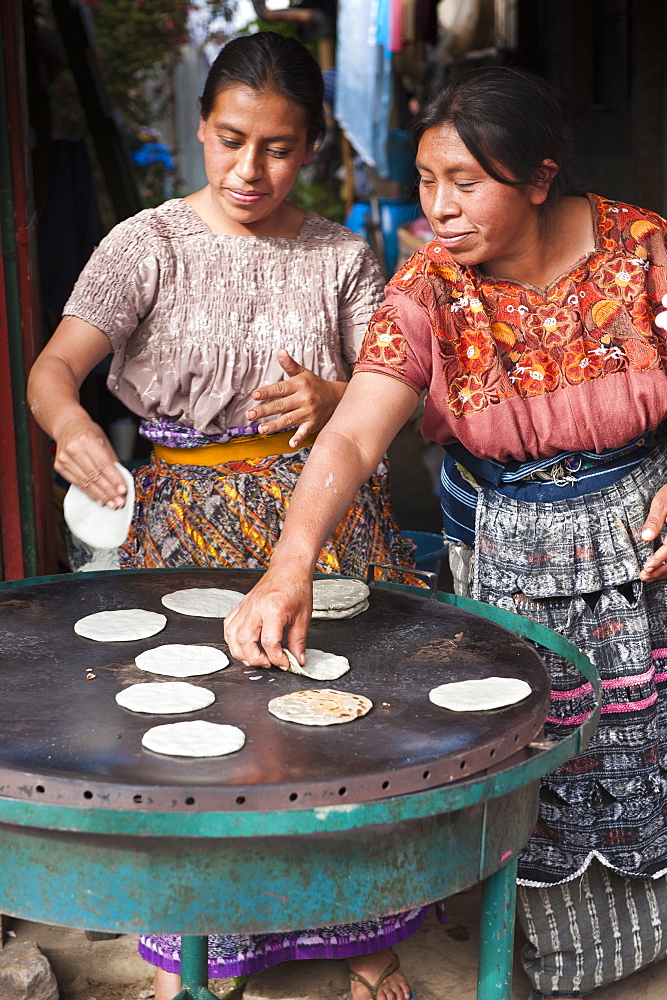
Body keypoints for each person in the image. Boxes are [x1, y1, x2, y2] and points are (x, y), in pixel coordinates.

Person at [225, 66, 667, 1000]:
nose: (439, 208)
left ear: (539, 178)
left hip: (646, 557)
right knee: (534, 757)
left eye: (464, 182)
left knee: (651, 747)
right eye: (426, 182)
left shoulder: (643, 251)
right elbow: (352, 429)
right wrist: (288, 566)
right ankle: (547, 960)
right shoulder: (430, 285)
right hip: (510, 561)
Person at [28, 30, 419, 1000]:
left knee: (337, 732)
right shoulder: (146, 244)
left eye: (279, 147)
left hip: (321, 522)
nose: (251, 168)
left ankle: (359, 933)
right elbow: (52, 371)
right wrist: (71, 424)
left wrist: (333, 398)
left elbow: (389, 395)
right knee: (195, 734)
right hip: (179, 531)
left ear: (313, 147)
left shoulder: (339, 257)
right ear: (201, 130)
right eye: (232, 139)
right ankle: (197, 947)